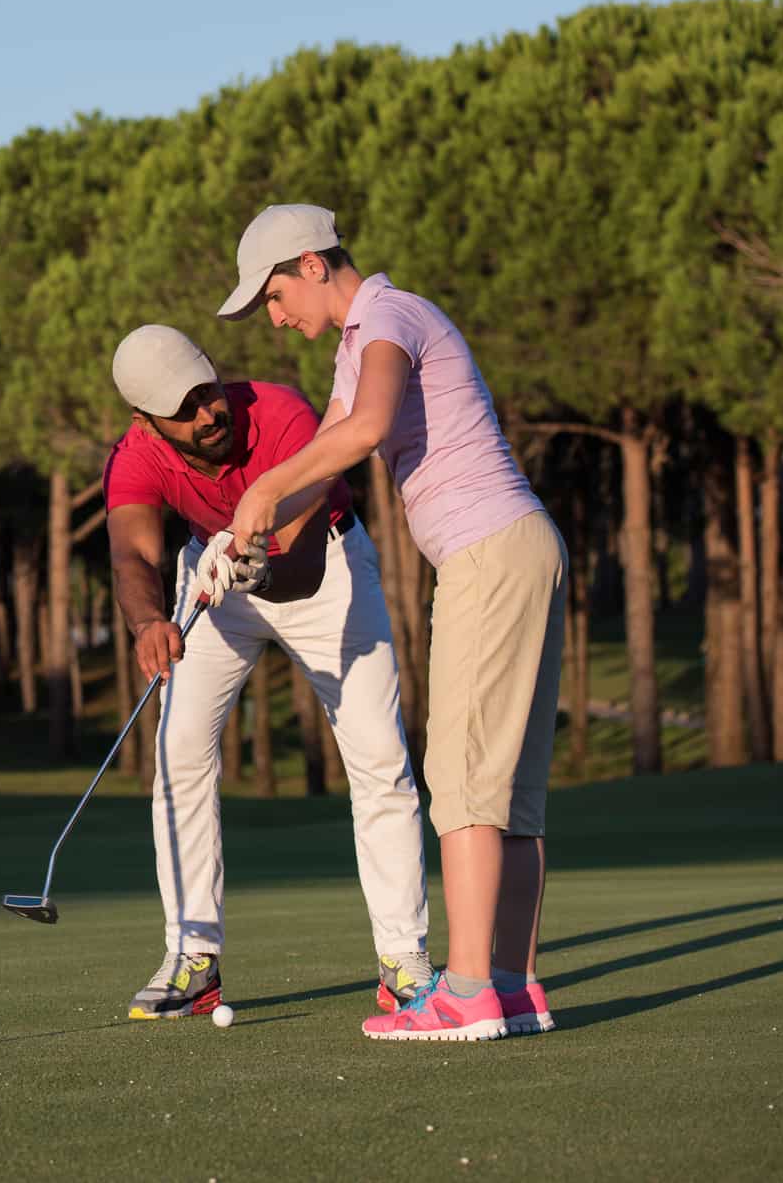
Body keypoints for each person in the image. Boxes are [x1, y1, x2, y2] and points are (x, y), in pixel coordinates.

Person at [220, 204, 566, 1042]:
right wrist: (251, 537)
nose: (273, 318)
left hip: (488, 552)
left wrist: (260, 490)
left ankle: (470, 989)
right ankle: (514, 985)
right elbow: (333, 451)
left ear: (310, 263)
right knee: (508, 792)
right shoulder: (355, 347)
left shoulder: (387, 314)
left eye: (271, 296)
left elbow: (370, 426)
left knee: (465, 780)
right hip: (520, 545)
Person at [104, 323, 430, 1020]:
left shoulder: (282, 415)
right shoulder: (134, 456)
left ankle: (403, 958)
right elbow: (132, 553)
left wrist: (260, 572)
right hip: (210, 572)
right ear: (147, 423)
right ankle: (192, 956)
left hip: (324, 567)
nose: (208, 412)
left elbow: (301, 566)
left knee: (378, 754)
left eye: (208, 390)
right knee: (179, 749)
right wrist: (147, 621)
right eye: (184, 409)